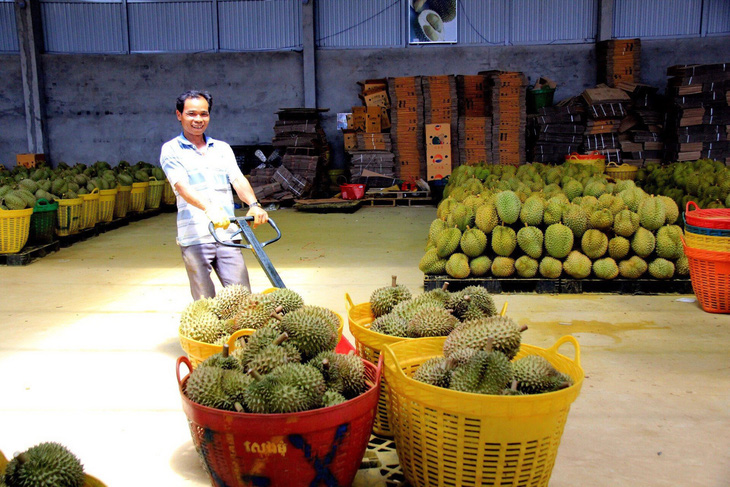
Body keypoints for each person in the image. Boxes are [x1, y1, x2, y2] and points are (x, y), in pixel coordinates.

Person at [160, 89, 268, 300]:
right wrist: (208, 207)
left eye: (204, 114)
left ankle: (241, 333)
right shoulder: (172, 150)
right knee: (204, 302)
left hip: (227, 233)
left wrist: (254, 204)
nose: (198, 119)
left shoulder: (222, 148)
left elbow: (237, 179)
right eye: (191, 114)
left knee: (242, 299)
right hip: (194, 236)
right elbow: (181, 186)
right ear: (179, 115)